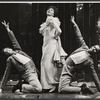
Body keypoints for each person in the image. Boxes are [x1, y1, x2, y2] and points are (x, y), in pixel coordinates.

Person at [58, 16, 100, 94]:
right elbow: (79, 36)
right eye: (94, 47)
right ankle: (79, 87)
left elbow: (94, 76)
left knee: (61, 89)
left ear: (95, 54)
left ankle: (81, 89)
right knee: (57, 85)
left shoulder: (89, 62)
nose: (93, 49)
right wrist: (74, 24)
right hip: (64, 64)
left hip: (68, 70)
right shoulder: (84, 47)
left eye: (95, 50)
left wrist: (99, 89)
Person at [0, 21, 42, 93]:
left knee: (44, 87)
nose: (7, 51)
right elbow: (7, 73)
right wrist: (1, 87)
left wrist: (8, 30)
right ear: (7, 54)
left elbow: (14, 40)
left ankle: (23, 84)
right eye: (6, 52)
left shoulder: (18, 51)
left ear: (10, 48)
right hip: (28, 72)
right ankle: (21, 86)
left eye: (7, 49)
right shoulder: (10, 59)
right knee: (38, 89)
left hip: (34, 69)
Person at [39, 6, 67, 92]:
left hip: (51, 43)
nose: (49, 11)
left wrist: (54, 37)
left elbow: (59, 31)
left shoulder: (53, 20)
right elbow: (41, 32)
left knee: (47, 64)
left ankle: (52, 85)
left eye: (52, 10)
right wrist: (46, 24)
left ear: (54, 13)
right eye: (48, 9)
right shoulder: (46, 22)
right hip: (45, 44)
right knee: (45, 64)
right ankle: (46, 85)